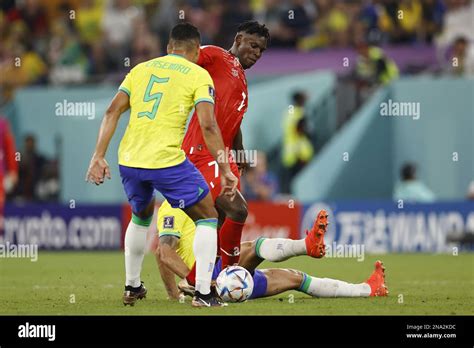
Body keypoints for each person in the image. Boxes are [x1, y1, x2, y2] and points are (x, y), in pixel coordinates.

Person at [85, 23, 238, 308]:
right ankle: (204, 293)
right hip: (166, 160)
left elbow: (111, 111)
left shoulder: (140, 69)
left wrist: (98, 155)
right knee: (207, 215)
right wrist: (226, 167)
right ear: (197, 50)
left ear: (169, 47)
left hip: (129, 159)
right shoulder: (199, 74)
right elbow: (207, 124)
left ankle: (132, 286)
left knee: (141, 216)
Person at [155, 202, 388, 301]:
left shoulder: (202, 200)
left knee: (296, 278)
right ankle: (303, 246)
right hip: (211, 277)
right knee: (253, 247)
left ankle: (368, 289)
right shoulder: (172, 206)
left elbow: (160, 257)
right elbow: (163, 253)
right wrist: (199, 285)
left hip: (228, 282)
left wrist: (174, 295)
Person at [182, 21, 270, 270]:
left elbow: (234, 119)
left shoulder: (240, 77)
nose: (256, 53)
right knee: (238, 211)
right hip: (202, 152)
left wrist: (239, 150)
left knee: (217, 222)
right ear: (238, 39)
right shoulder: (216, 56)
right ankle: (230, 274)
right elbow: (184, 60)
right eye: (253, 45)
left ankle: (195, 281)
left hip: (223, 156)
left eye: (261, 50)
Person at [281, 91, 314, 193]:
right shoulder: (299, 114)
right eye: (303, 100)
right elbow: (298, 132)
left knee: (292, 182)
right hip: (298, 154)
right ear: (298, 100)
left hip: (291, 154)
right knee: (300, 182)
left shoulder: (288, 113)